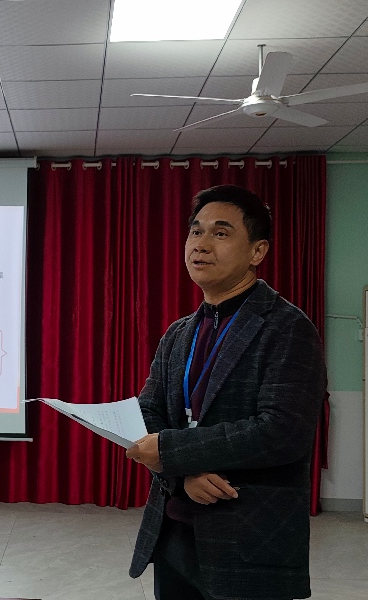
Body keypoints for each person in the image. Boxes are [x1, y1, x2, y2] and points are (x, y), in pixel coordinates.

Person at [126, 184, 327, 600]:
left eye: (220, 233)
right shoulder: (179, 332)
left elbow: (282, 431)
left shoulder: (287, 328)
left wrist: (172, 452)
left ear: (257, 251)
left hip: (249, 540)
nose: (201, 244)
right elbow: (147, 411)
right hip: (174, 532)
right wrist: (183, 475)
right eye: (195, 231)